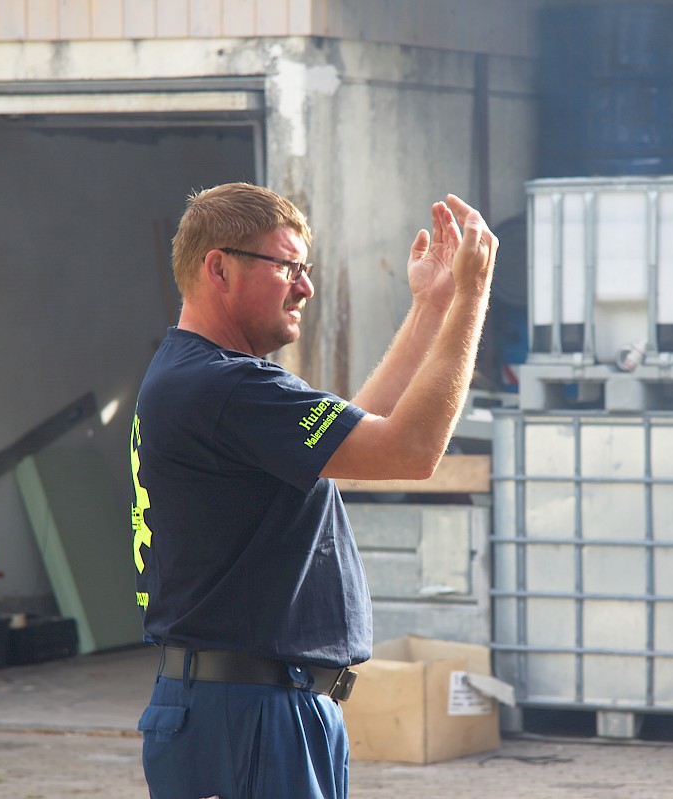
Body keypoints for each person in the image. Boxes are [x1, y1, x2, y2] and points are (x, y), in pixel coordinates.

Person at [129, 182, 497, 799]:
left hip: (259, 706)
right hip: (248, 712)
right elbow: (410, 451)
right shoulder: (224, 388)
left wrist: (433, 306)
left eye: (306, 268)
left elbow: (357, 443)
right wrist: (472, 295)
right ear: (218, 267)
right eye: (287, 267)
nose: (306, 287)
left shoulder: (211, 381)